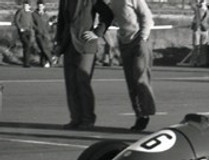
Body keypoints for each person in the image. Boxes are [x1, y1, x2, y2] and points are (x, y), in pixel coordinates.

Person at [54, 0, 113, 130]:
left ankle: (87, 119)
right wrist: (58, 43)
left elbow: (108, 14)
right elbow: (61, 22)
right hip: (68, 45)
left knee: (82, 81)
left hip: (86, 45)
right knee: (71, 84)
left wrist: (97, 33)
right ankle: (75, 118)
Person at [109, 0, 156, 131]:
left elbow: (147, 16)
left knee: (140, 78)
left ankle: (145, 113)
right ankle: (139, 115)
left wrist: (143, 37)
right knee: (131, 82)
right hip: (125, 42)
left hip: (139, 41)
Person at [32, 0, 53, 68]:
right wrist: (36, 29)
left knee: (45, 48)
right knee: (43, 48)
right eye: (39, 6)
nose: (40, 7)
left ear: (44, 6)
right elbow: (32, 23)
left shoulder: (46, 15)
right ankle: (51, 60)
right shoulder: (33, 14)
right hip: (38, 34)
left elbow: (48, 24)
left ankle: (43, 62)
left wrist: (49, 31)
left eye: (41, 6)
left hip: (46, 34)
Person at [190, 0, 209, 67]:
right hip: (197, 29)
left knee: (204, 47)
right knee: (196, 45)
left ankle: (203, 62)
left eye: (203, 2)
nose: (202, 3)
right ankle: (194, 62)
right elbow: (192, 4)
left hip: (205, 30)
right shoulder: (197, 9)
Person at [13, 0, 34, 68]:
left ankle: (26, 62)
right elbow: (16, 20)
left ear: (29, 6)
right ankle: (26, 62)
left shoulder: (30, 13)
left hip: (29, 31)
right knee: (27, 45)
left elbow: (31, 22)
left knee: (27, 46)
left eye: (27, 5)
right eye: (24, 5)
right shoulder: (20, 11)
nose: (25, 7)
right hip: (22, 31)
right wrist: (20, 28)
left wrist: (31, 29)